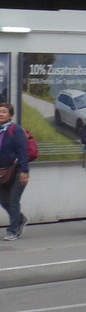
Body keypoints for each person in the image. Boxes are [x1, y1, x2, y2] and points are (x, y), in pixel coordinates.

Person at [0, 102, 29, 240]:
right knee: (3, 200)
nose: (1, 114)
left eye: (4, 111)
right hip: (2, 172)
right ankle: (20, 218)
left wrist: (24, 171)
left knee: (13, 200)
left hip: (17, 171)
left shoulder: (15, 129)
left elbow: (23, 151)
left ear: (10, 115)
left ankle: (13, 230)